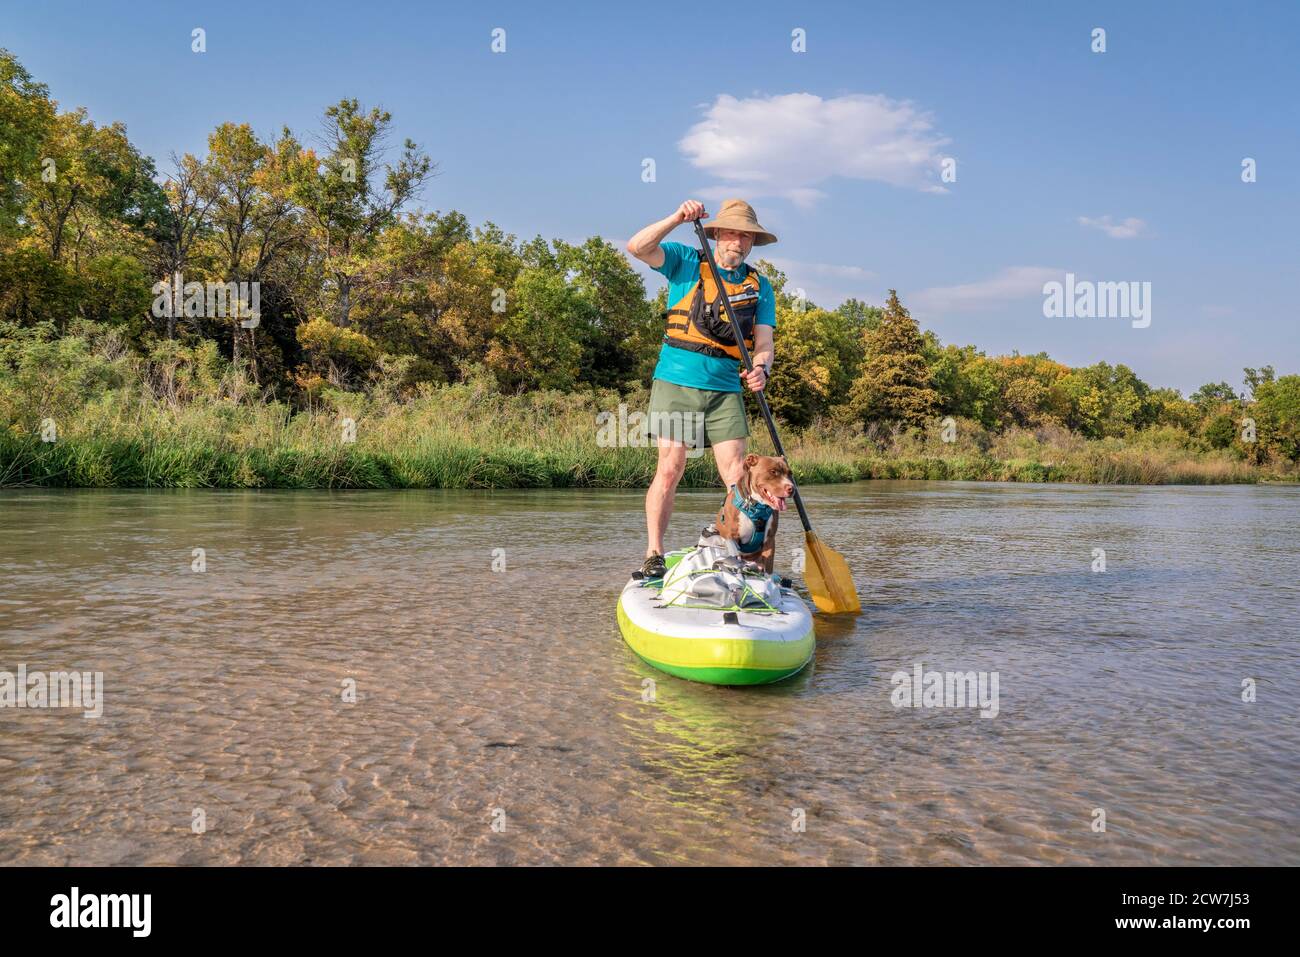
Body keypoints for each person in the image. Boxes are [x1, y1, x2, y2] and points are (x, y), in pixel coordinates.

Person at [624, 198, 779, 578]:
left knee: (738, 478)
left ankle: (738, 552)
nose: (739, 242)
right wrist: (677, 217)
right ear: (717, 235)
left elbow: (764, 345)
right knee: (671, 468)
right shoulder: (686, 261)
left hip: (726, 386)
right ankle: (654, 553)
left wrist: (761, 370)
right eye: (732, 234)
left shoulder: (759, 286)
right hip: (677, 381)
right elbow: (637, 247)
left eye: (747, 237)